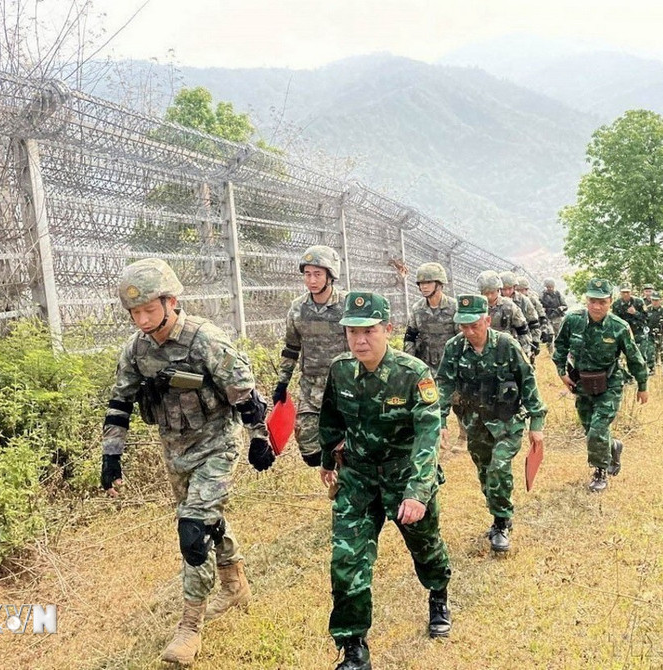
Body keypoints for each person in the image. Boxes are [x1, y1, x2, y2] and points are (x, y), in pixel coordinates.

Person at [102, 258, 276, 665]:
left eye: (149, 310)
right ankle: (234, 585)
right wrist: (111, 457)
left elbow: (243, 393)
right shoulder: (136, 350)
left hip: (218, 445)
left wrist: (259, 437)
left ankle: (190, 627)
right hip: (175, 453)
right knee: (208, 521)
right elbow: (119, 402)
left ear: (171, 301)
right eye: (134, 313)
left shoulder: (204, 340)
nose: (142, 320)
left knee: (193, 528)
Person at [319, 291, 452, 670]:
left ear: (388, 330)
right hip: (358, 479)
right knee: (347, 561)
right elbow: (330, 417)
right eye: (352, 332)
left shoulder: (414, 375)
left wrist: (418, 492)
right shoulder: (341, 369)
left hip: (404, 476)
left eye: (369, 331)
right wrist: (329, 458)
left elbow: (428, 436)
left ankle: (438, 593)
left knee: (426, 550)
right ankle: (353, 646)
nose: (360, 340)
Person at [436, 295, 546, 553]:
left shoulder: (507, 345)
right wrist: (440, 419)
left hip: (508, 421)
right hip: (475, 422)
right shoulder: (454, 348)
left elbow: (527, 381)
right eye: (463, 326)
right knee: (485, 473)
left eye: (474, 325)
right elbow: (444, 384)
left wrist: (537, 423)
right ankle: (499, 511)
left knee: (498, 467)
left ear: (487, 320)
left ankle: (501, 523)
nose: (469, 331)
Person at [553, 278, 648, 493]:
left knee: (597, 430)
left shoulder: (619, 327)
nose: (596, 307)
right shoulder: (573, 320)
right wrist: (561, 372)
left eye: (602, 302)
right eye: (592, 301)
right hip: (582, 382)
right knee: (590, 430)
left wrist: (642, 385)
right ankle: (613, 446)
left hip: (610, 383)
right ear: (586, 300)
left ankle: (600, 472)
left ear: (610, 302)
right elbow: (559, 346)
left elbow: (634, 357)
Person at [273, 246, 348, 467]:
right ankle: (332, 469)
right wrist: (282, 383)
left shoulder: (346, 306)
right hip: (311, 387)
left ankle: (345, 483)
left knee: (349, 446)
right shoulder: (297, 309)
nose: (312, 280)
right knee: (310, 451)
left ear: (330, 275)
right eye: (307, 274)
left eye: (317, 274)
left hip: (343, 385)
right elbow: (291, 348)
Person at [403, 262, 463, 446]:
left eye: (428, 282)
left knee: (458, 400)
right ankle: (435, 435)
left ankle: (464, 435)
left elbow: (461, 337)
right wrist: (409, 362)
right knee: (429, 400)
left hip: (451, 362)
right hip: (426, 362)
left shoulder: (454, 307)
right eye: (421, 283)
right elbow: (410, 336)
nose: (423, 287)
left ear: (439, 284)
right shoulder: (417, 309)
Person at [476, 270, 532, 352]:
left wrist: (524, 351)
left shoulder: (509, 306)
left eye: (492, 292)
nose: (489, 296)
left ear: (498, 290)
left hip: (507, 349)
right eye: (485, 293)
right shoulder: (476, 307)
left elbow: (522, 330)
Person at [611, 283, 648, 384]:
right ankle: (628, 377)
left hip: (638, 333)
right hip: (624, 335)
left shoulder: (639, 302)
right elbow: (614, 321)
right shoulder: (616, 304)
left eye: (627, 292)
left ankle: (642, 378)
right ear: (620, 293)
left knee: (639, 357)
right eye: (623, 292)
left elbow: (646, 318)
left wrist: (635, 313)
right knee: (617, 358)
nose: (626, 294)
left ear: (631, 292)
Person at [501, 271, 541, 360]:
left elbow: (533, 322)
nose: (507, 292)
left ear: (514, 287)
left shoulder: (524, 300)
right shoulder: (496, 301)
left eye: (510, 288)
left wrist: (535, 341)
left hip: (522, 341)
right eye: (504, 289)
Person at [516, 276, 549, 363]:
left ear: (527, 290)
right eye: (517, 290)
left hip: (530, 330)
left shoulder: (532, 299)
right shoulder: (513, 299)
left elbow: (541, 316)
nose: (520, 292)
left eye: (522, 290)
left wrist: (543, 332)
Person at [646, 293, 663, 376]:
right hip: (650, 334)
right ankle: (651, 369)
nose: (655, 302)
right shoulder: (647, 310)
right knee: (650, 351)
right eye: (653, 300)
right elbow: (643, 321)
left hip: (662, 334)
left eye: (657, 300)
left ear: (660, 300)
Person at [540, 277, 568, 355]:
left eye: (551, 287)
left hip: (557, 317)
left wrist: (558, 310)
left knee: (559, 335)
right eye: (548, 287)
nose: (550, 288)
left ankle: (559, 351)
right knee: (550, 335)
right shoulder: (542, 296)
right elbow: (539, 307)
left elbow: (565, 306)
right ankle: (551, 352)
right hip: (548, 318)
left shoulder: (558, 294)